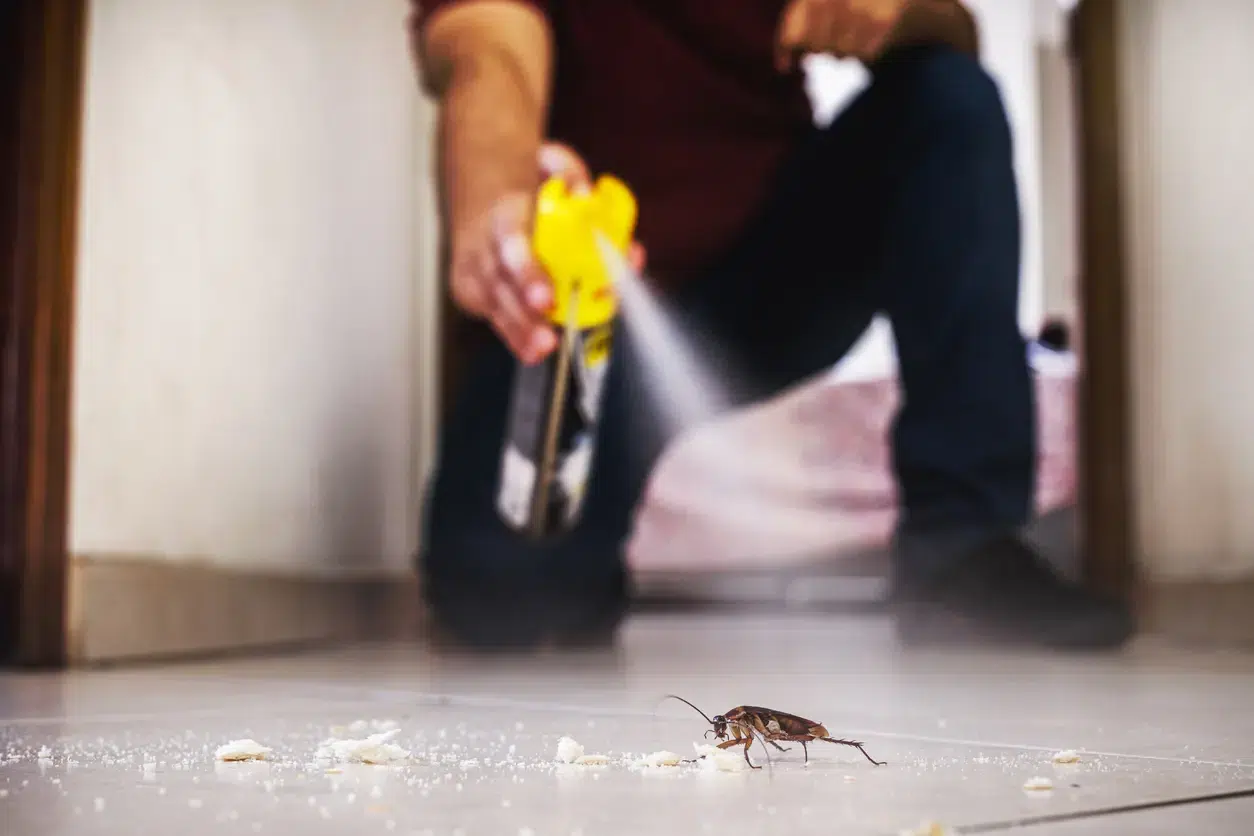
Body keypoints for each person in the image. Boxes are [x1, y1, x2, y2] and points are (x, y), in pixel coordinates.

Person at [408, 0, 1134, 652]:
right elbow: (488, 51)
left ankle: (963, 548)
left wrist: (897, 11)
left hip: (773, 280)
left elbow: (953, 29)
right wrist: (500, 204)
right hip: (586, 319)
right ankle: (575, 561)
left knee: (947, 98)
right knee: (498, 597)